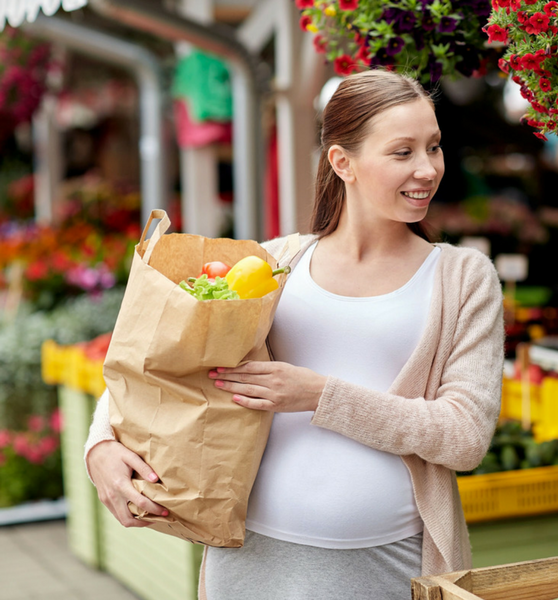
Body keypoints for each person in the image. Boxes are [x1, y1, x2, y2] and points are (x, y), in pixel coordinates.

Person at [84, 69, 505, 600]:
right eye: (403, 152)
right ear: (341, 162)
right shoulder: (275, 263)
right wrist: (100, 444)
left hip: (386, 563)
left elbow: (464, 437)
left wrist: (318, 395)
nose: (427, 169)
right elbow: (165, 357)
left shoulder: (462, 279)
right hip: (253, 558)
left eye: (434, 147)